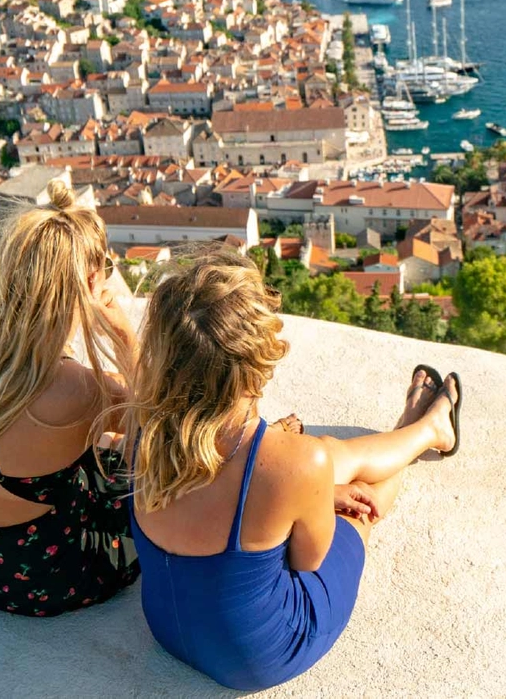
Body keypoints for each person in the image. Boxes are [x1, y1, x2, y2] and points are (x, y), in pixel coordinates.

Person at [127, 246, 463, 690]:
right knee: (357, 507)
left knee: (312, 458)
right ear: (261, 357)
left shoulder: (141, 428)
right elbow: (307, 562)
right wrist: (318, 495)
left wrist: (306, 488)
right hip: (255, 655)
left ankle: (421, 430)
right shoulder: (297, 463)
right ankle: (421, 428)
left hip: (167, 628)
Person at [0, 181, 141, 617]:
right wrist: (124, 337)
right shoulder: (78, 388)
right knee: (147, 468)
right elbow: (160, 419)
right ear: (90, 281)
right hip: (53, 578)